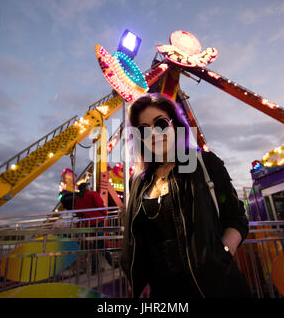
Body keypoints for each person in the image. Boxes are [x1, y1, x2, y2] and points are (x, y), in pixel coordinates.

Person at [120, 93, 252, 298]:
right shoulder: (137, 182)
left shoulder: (205, 164)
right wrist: (136, 278)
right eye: (143, 130)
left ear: (176, 127)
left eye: (161, 124)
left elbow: (236, 217)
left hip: (213, 286)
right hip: (162, 290)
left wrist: (223, 253)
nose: (153, 134)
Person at [74, 183, 113, 274]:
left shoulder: (78, 199)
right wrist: (104, 213)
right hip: (98, 221)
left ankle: (111, 262)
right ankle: (94, 268)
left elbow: (78, 213)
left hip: (89, 223)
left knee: (100, 242)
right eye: (88, 185)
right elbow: (100, 204)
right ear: (86, 188)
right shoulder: (92, 194)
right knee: (98, 243)